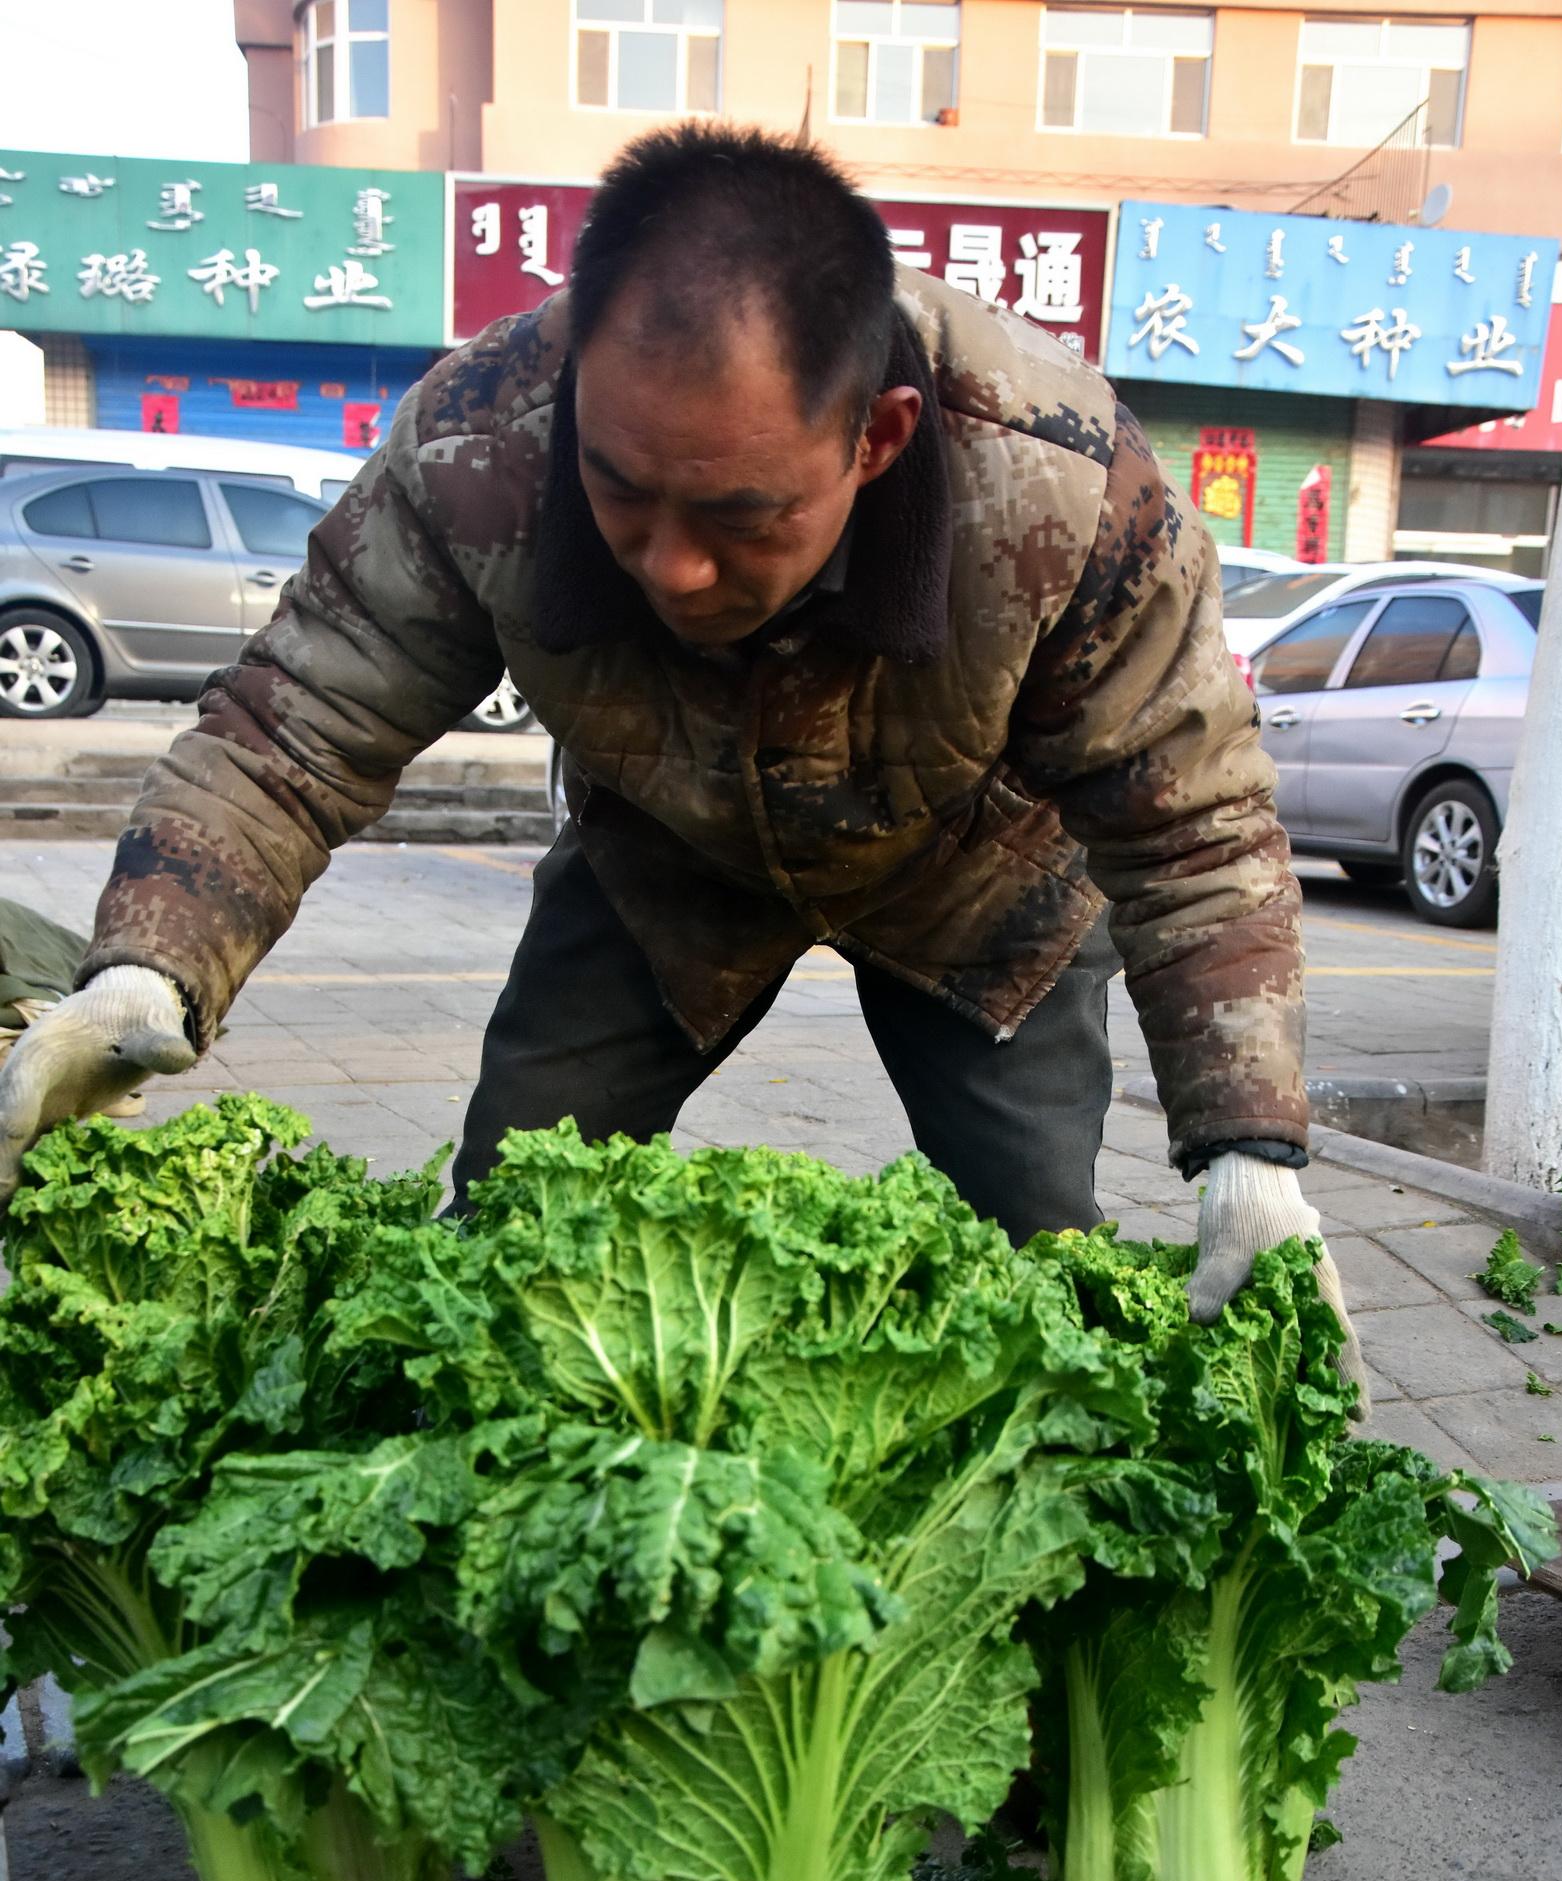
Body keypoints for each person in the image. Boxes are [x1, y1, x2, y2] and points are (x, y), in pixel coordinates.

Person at [0, 125, 1359, 1384]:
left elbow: (1191, 827)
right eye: (622, 493)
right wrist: (151, 960)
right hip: (665, 861)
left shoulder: (1060, 483)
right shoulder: (484, 440)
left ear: (875, 437)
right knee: (501, 1246)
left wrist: (1253, 1154)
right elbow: (291, 726)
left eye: (739, 515)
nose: (676, 567)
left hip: (979, 880)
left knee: (1039, 1266)